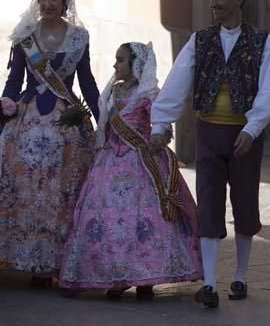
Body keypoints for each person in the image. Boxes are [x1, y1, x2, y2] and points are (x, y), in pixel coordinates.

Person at [149, 0, 270, 308]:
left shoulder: (262, 42)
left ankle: (240, 276)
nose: (213, 4)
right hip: (208, 132)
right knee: (209, 203)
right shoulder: (200, 40)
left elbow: (269, 90)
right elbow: (177, 83)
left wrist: (252, 129)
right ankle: (209, 283)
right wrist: (159, 124)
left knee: (245, 203)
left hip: (244, 136)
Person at [60, 42, 203, 298]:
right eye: (116, 59)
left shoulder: (147, 94)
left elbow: (160, 119)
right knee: (105, 216)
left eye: (121, 60)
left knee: (143, 216)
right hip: (109, 162)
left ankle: (145, 277)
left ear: (136, 64)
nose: (115, 64)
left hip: (140, 161)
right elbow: (105, 125)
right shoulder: (112, 93)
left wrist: (160, 136)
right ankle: (115, 276)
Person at [0, 0, 100, 284]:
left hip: (65, 121)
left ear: (65, 2)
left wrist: (104, 119)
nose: (48, 3)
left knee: (61, 190)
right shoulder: (26, 37)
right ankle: (23, 255)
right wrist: (5, 106)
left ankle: (55, 262)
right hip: (28, 119)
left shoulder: (78, 38)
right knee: (22, 185)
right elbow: (14, 81)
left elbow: (87, 82)